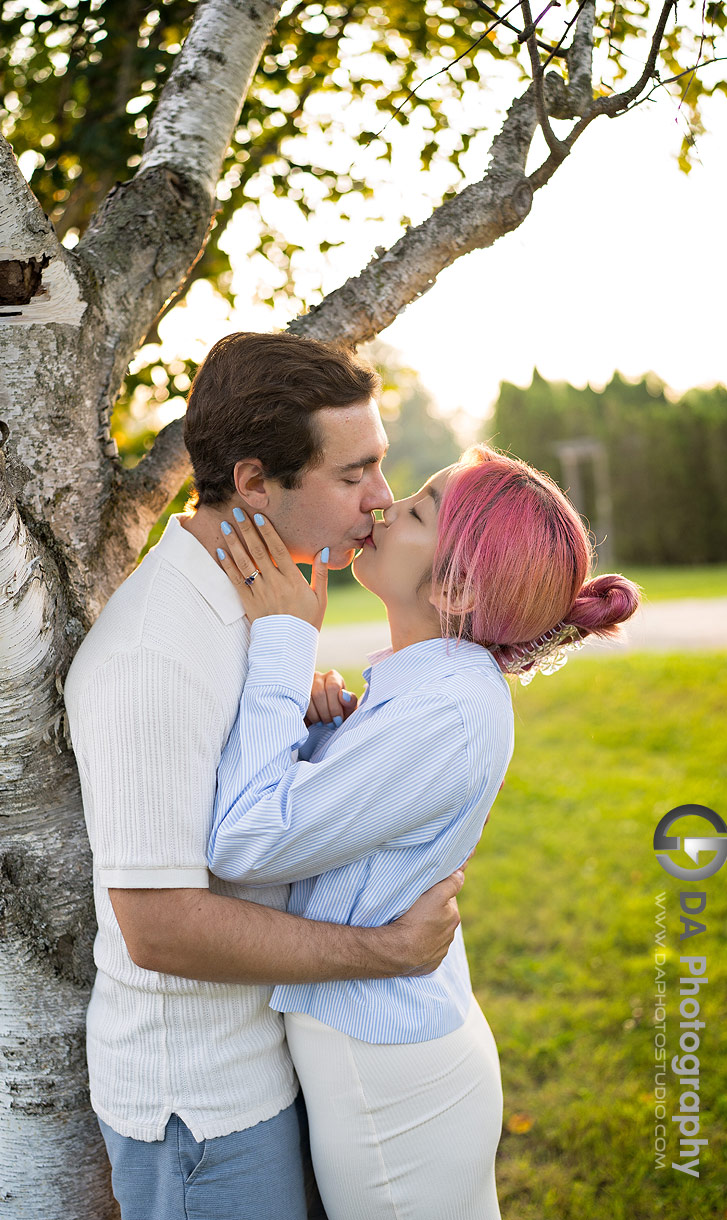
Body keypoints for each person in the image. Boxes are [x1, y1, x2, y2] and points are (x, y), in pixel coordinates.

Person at [63, 331, 465, 1220]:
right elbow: (158, 928)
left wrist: (303, 718)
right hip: (202, 1113)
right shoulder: (152, 653)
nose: (382, 499)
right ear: (252, 483)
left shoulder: (254, 607)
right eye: (351, 474)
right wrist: (383, 954)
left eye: (381, 466)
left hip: (277, 1072)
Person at [207, 444, 641, 1220]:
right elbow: (339, 832)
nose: (383, 505)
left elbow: (245, 839)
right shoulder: (428, 685)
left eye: (417, 510)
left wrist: (280, 642)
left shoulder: (445, 710)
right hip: (388, 1056)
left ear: (458, 584)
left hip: (387, 1085)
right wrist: (313, 734)